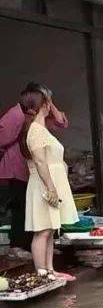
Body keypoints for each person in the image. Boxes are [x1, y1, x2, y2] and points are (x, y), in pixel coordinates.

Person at [0, 83, 68, 261]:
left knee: (36, 208)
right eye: (45, 99)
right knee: (21, 206)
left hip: (34, 171)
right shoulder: (16, 115)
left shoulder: (39, 117)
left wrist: (50, 103)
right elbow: (2, 137)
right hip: (17, 168)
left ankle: (39, 249)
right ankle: (17, 246)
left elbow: (61, 122)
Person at [21, 84, 79, 282]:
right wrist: (51, 187)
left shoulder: (41, 128)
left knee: (50, 228)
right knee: (42, 229)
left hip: (50, 181)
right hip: (44, 184)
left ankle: (50, 269)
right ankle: (42, 272)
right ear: (43, 105)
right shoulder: (35, 130)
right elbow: (39, 161)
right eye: (47, 102)